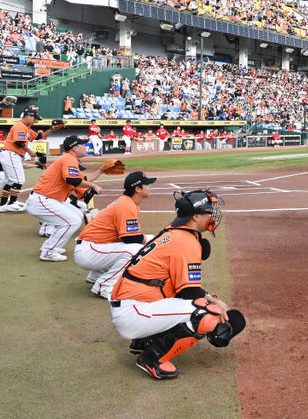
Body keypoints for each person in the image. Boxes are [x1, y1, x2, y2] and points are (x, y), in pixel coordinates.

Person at [109, 189, 245, 380]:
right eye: (209, 211)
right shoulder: (185, 241)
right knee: (206, 313)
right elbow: (190, 292)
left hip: (133, 303)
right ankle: (153, 358)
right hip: (133, 311)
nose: (213, 215)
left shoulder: (174, 231)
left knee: (193, 300)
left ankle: (145, 340)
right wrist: (214, 301)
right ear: (196, 216)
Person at [74, 171, 157, 299]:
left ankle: (96, 275)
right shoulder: (127, 204)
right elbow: (129, 238)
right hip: (89, 251)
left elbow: (128, 236)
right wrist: (151, 239)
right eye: (147, 184)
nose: (150, 187)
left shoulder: (127, 202)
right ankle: (104, 286)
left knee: (132, 245)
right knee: (135, 250)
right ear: (138, 189)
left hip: (91, 248)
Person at [25, 135, 103, 261]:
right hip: (42, 200)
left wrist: (102, 170)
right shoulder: (69, 159)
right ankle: (49, 252)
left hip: (47, 199)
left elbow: (82, 180)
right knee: (72, 221)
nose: (85, 147)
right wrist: (93, 186)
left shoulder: (69, 159)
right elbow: (72, 179)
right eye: (83, 145)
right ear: (75, 148)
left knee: (77, 216)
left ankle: (49, 245)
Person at [0, 109, 62, 212]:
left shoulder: (26, 127)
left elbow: (38, 136)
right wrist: (30, 152)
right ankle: (11, 203)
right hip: (10, 154)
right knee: (18, 180)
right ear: (29, 116)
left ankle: (3, 205)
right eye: (35, 119)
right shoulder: (20, 126)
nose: (35, 121)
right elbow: (18, 142)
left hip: (12, 155)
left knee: (11, 181)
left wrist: (52, 129)